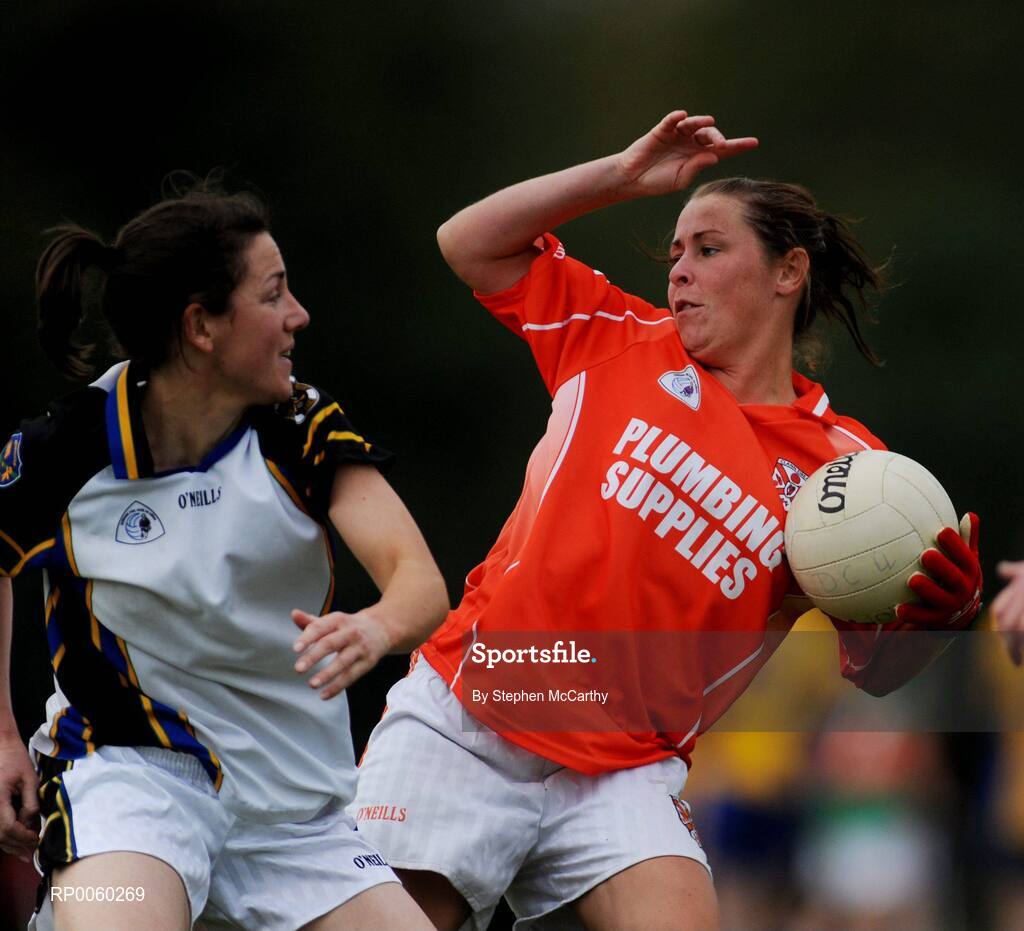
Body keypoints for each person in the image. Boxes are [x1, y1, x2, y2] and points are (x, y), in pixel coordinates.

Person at [349, 110, 983, 931]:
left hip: (628, 767)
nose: (679, 270)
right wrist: (619, 175)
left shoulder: (849, 472)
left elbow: (877, 669)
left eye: (709, 249)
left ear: (789, 270)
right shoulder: (614, 337)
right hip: (474, 714)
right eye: (675, 251)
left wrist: (934, 624)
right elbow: (468, 241)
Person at [0, 182, 448, 930]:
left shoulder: (299, 426)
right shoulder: (66, 448)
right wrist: (3, 739)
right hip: (133, 780)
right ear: (201, 326)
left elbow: (419, 580)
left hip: (295, 812)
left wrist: (374, 627)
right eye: (274, 294)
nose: (298, 315)